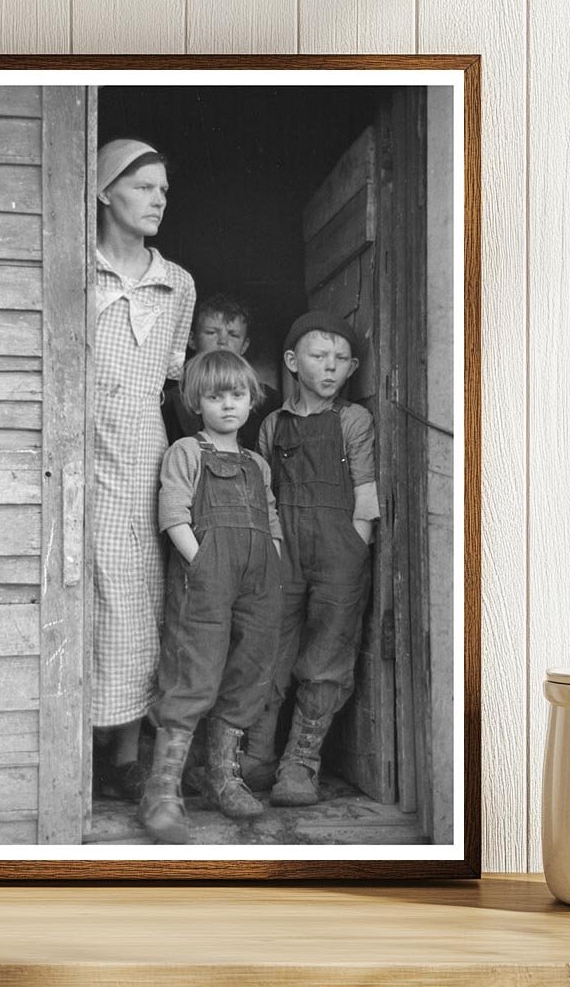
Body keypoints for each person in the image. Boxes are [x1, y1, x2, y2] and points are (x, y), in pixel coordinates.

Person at [139, 350, 283, 844]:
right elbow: (173, 512)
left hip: (260, 579)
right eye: (215, 396)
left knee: (248, 671)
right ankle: (162, 790)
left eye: (237, 395)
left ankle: (223, 774)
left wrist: (276, 557)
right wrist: (200, 561)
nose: (228, 405)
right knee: (194, 672)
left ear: (251, 401)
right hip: (206, 577)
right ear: (196, 402)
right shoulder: (185, 450)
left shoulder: (257, 463)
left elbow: (270, 515)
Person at [240, 310, 380, 806]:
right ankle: (255, 756)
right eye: (319, 357)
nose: (330, 368)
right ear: (292, 361)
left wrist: (356, 543)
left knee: (326, 655)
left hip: (338, 549)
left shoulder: (353, 419)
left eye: (341, 360)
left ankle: (300, 764)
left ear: (353, 366)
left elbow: (366, 491)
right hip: (284, 550)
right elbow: (263, 494)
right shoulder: (272, 425)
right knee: (271, 649)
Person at [92, 138, 197, 800]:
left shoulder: (178, 282)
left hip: (141, 445)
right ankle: (77, 744)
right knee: (86, 588)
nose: (158, 199)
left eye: (163, 188)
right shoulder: (75, 268)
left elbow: (171, 378)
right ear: (105, 193)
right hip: (80, 443)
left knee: (140, 589)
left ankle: (128, 753)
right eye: (141, 187)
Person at [161, 292, 281, 453]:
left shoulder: (267, 400)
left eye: (233, 335)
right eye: (211, 332)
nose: (222, 342)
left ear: (245, 345)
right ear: (191, 339)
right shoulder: (167, 400)